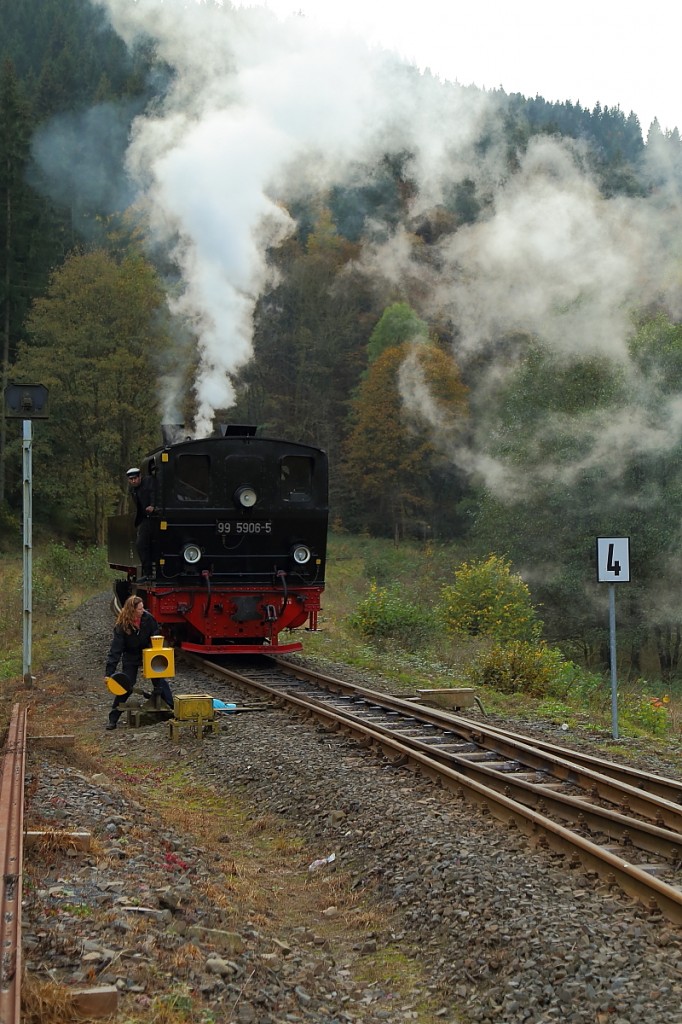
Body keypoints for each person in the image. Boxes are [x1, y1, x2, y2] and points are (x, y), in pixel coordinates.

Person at [104, 595, 174, 730]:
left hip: (147, 653)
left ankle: (172, 708)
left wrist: (153, 651)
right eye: (140, 609)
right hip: (131, 655)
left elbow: (155, 634)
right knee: (126, 684)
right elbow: (115, 650)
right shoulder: (121, 626)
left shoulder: (149, 619)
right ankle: (113, 718)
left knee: (159, 679)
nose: (143, 611)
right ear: (132, 610)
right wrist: (109, 673)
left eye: (143, 608)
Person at [127, 467, 156, 580]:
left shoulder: (149, 482)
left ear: (140, 477)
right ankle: (147, 573)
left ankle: (151, 572)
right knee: (141, 544)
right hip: (145, 519)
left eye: (135, 478)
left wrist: (153, 505)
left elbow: (154, 492)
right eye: (131, 479)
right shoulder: (133, 490)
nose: (133, 481)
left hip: (155, 516)